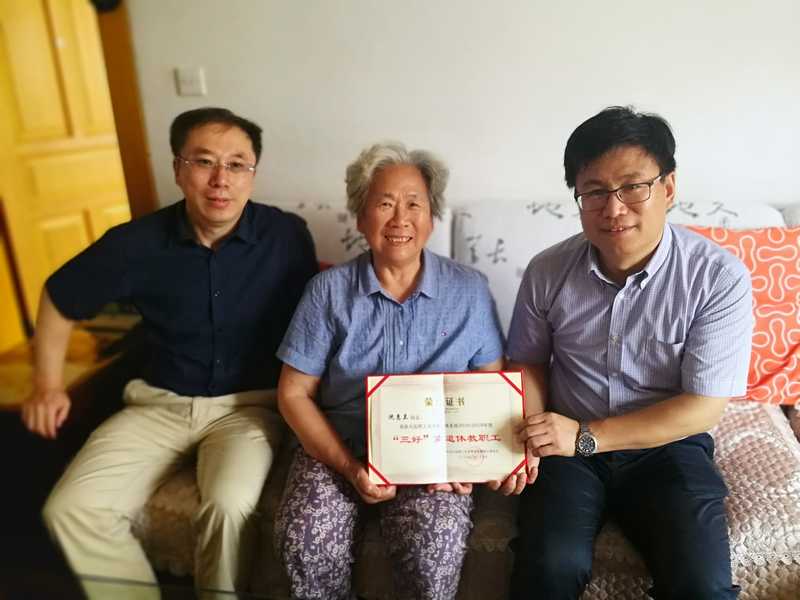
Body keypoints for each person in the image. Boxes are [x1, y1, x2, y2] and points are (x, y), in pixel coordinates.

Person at [21, 107, 317, 595]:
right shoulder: (135, 243)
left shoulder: (286, 236)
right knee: (70, 508)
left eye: (237, 164)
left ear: (253, 174)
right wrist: (47, 385)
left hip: (247, 408)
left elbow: (316, 322)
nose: (221, 179)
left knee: (229, 505)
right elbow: (59, 295)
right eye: (204, 162)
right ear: (178, 169)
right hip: (157, 405)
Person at [507, 106, 752, 599]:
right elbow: (527, 363)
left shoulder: (717, 278)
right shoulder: (547, 271)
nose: (614, 209)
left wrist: (587, 437)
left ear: (669, 187)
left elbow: (703, 407)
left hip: (667, 446)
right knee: (548, 567)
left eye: (633, 187)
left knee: (701, 584)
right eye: (595, 192)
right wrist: (531, 435)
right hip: (567, 449)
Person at [273, 142, 520, 600]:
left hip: (432, 458)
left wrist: (466, 461)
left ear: (432, 217)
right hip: (340, 445)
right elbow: (292, 393)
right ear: (360, 217)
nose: (400, 219)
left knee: (432, 553)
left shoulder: (469, 291)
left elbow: (492, 389)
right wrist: (350, 468)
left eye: (414, 204)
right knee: (304, 539)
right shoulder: (327, 292)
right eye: (385, 204)